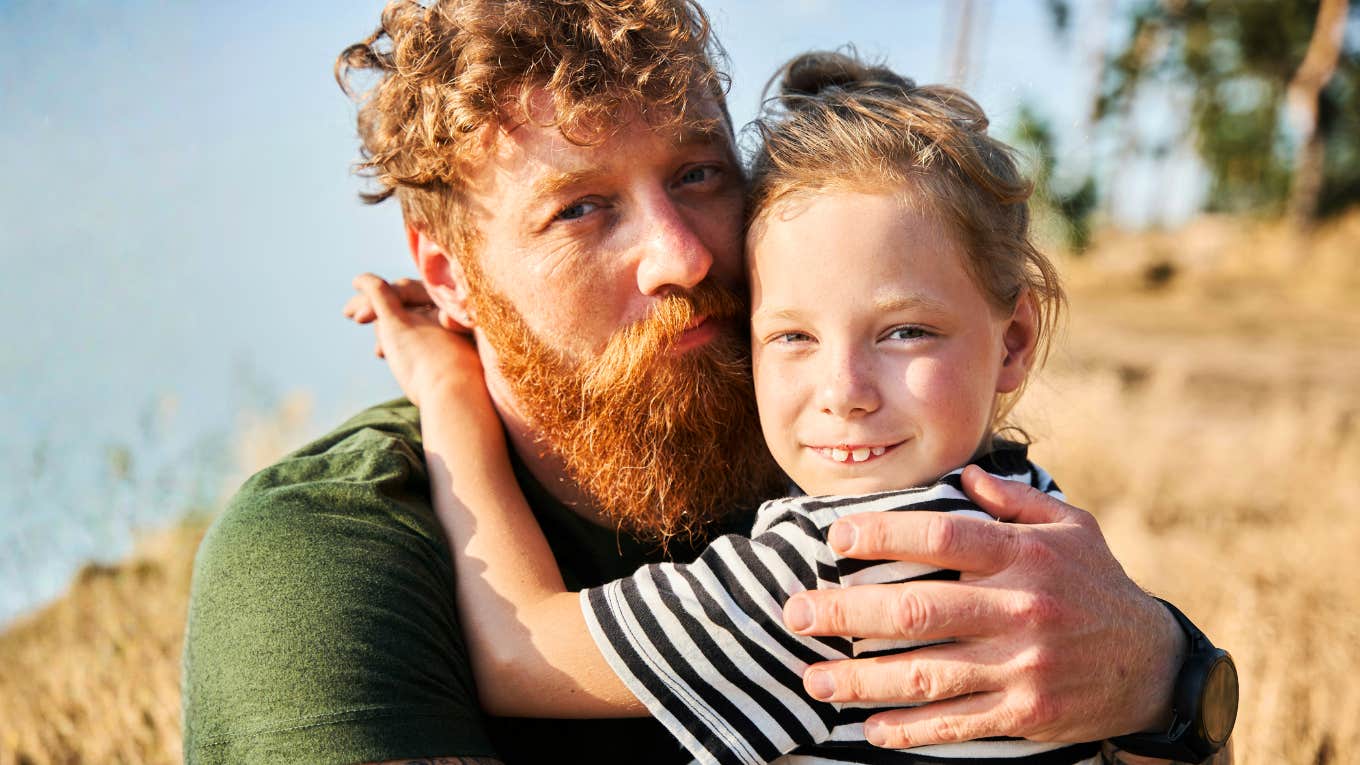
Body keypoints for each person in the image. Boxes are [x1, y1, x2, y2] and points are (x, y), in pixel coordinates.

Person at [181, 2, 1226, 764]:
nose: (681, 255)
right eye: (581, 208)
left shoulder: (833, 457)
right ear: (446, 274)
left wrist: (1164, 674)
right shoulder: (329, 550)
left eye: (697, 173)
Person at [347, 49, 1106, 765]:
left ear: (1012, 343)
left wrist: (447, 389)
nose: (844, 391)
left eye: (906, 332)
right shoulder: (1033, 513)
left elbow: (522, 651)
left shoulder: (834, 565)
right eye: (792, 336)